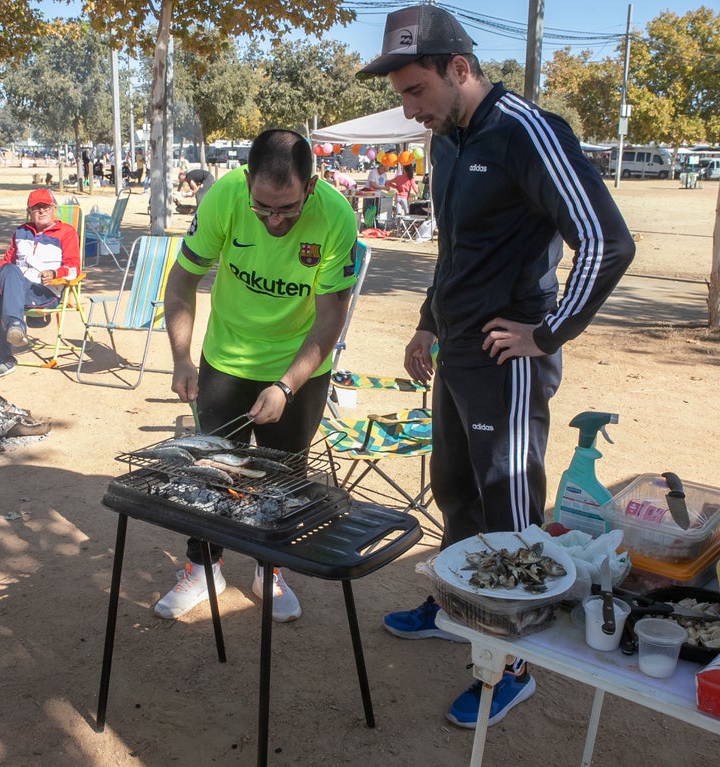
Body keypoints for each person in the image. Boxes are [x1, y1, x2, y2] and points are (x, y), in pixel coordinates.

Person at [358, 4, 635, 729]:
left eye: (416, 91)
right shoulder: (446, 139)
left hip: (507, 360)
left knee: (506, 506)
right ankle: (458, 603)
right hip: (454, 352)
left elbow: (606, 242)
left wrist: (548, 332)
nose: (410, 110)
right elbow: (456, 249)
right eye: (402, 96)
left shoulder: (528, 133)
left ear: (459, 69)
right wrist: (427, 321)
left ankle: (511, 664)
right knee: (454, 489)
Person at [157, 129, 359, 623]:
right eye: (263, 207)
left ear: (310, 188)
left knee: (282, 477)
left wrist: (287, 385)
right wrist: (183, 358)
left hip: (301, 366)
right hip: (226, 359)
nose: (274, 220)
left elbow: (331, 317)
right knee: (211, 470)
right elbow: (182, 281)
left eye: (287, 209)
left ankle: (269, 569)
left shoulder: (336, 217)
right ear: (247, 182)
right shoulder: (224, 197)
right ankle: (204, 568)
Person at [0, 188, 80, 379]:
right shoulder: (21, 232)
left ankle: (3, 358)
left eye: (45, 207)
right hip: (19, 288)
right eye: (36, 208)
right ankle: (14, 327)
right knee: (5, 275)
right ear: (29, 211)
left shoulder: (66, 233)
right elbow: (8, 259)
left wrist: (56, 273)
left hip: (45, 291)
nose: (41, 211)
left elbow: (74, 268)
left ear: (54, 208)